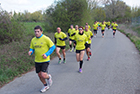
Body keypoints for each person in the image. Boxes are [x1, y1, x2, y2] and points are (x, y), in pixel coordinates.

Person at [28, 26, 55, 93]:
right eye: (35, 32)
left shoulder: (46, 38)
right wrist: (30, 51)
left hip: (45, 60)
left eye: (38, 31)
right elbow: (32, 48)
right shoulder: (33, 40)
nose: (36, 33)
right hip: (37, 60)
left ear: (41, 31)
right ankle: (45, 85)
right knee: (39, 74)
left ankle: (48, 77)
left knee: (43, 74)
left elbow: (53, 47)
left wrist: (47, 54)